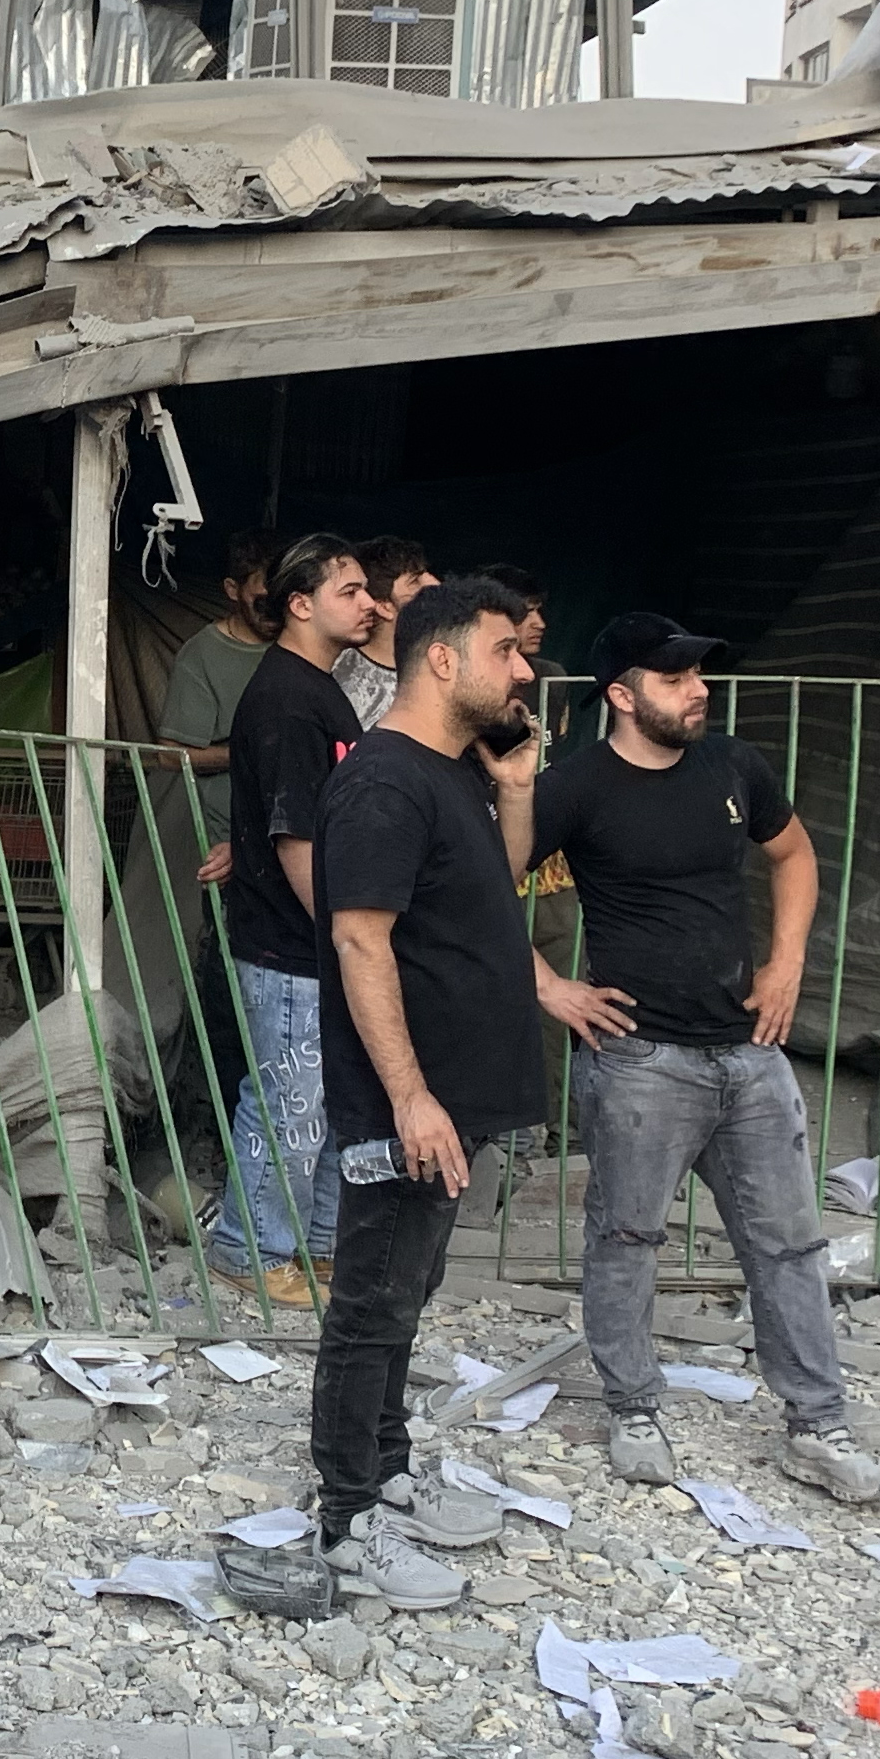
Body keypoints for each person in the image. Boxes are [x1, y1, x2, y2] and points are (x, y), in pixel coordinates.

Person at [527, 614, 880, 1504]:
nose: (698, 689)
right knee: (627, 1238)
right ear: (621, 695)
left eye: (700, 674)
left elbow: (795, 853)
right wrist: (550, 987)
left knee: (791, 1244)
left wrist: (787, 964)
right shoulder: (572, 789)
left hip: (750, 1054)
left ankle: (817, 1423)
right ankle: (633, 1404)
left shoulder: (735, 767)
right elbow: (477, 888)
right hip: (640, 1059)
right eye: (675, 676)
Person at [304, 576, 548, 1607]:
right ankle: (347, 1518)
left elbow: (490, 886)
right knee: (370, 1302)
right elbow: (360, 936)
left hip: (447, 1099)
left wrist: (521, 783)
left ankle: (390, 1469)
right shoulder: (383, 783)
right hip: (404, 1104)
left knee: (407, 1291)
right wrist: (408, 1096)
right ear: (440, 658)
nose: (525, 669)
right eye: (506, 650)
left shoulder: (451, 771)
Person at [211, 533, 381, 1308]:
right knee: (287, 1096)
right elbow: (295, 834)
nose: (369, 603)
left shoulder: (320, 687)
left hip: (310, 937)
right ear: (300, 604)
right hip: (289, 939)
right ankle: (248, 1248)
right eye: (350, 590)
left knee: (321, 1099)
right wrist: (340, 934)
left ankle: (311, 1248)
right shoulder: (286, 695)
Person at [161, 527, 282, 886]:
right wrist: (250, 752)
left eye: (282, 599)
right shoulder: (201, 655)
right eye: (262, 600)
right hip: (226, 835)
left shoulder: (304, 646)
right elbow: (169, 756)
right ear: (233, 590)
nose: (273, 612)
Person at [334, 535, 437, 729]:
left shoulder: (444, 661)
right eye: (415, 581)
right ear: (384, 607)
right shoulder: (341, 676)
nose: (435, 583)